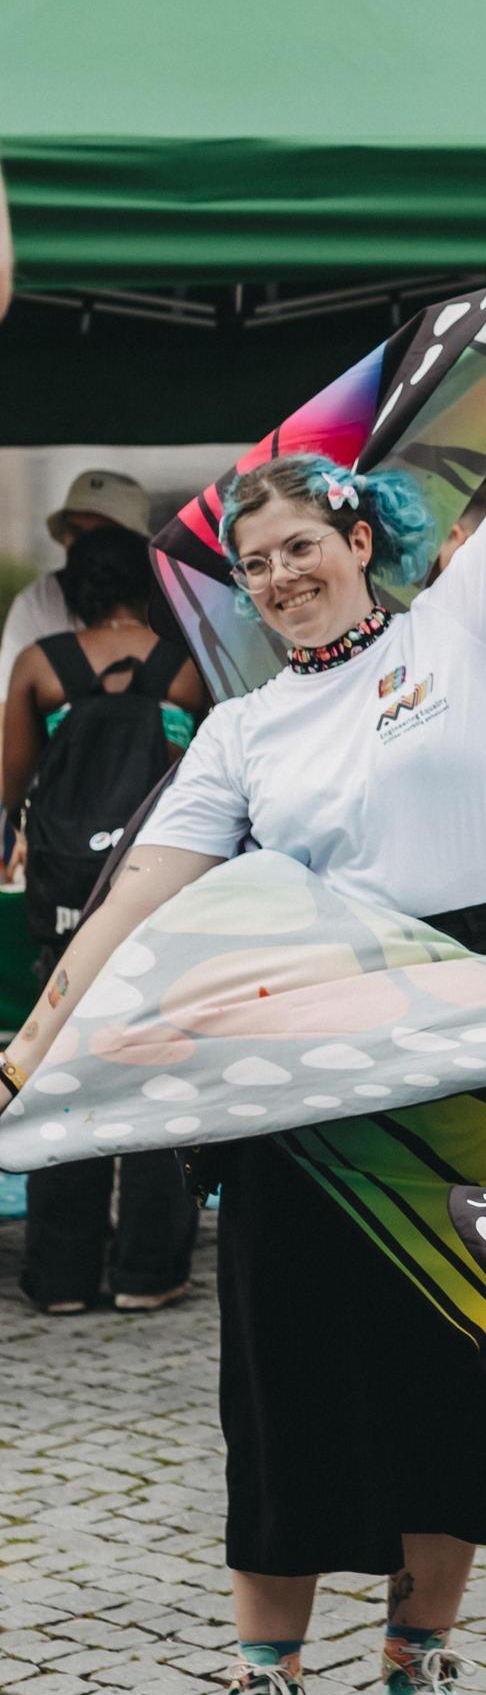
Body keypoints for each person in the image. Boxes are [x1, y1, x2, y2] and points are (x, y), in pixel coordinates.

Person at [0, 191, 486, 1695]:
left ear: (357, 542)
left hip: (464, 1058)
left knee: (456, 1372)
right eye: (255, 567)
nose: (281, 579)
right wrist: (37, 1041)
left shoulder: (467, 625)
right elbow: (140, 896)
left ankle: (421, 1667)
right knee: (287, 1376)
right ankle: (262, 1687)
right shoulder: (240, 736)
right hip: (300, 1083)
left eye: (302, 549)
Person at [2, 519, 204, 1314]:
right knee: (158, 1072)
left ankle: (59, 1275)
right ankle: (149, 1272)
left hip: (64, 903)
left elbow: (12, 785)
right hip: (162, 899)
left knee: (62, 1074)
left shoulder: (37, 667)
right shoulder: (185, 669)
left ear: (72, 587)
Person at [0, 470, 152, 710]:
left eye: (102, 535)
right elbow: (6, 712)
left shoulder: (167, 601)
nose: (86, 546)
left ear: (134, 545)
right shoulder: (37, 601)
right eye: (76, 532)